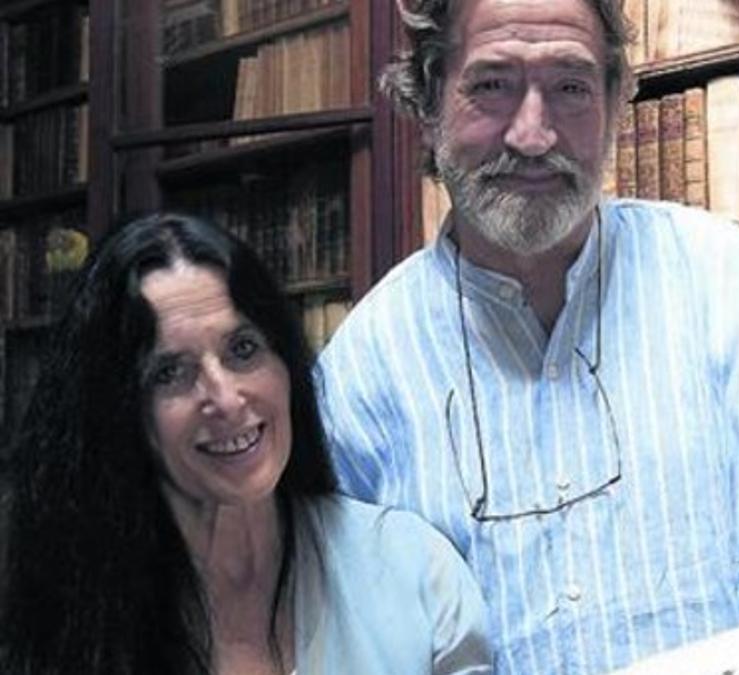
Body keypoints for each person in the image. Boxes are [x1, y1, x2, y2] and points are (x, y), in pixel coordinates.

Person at [317, 0, 739, 672]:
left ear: (617, 99)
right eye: (492, 85)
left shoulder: (725, 277)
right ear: (429, 99)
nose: (532, 135)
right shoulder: (360, 374)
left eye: (571, 87)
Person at [0, 213, 492, 675]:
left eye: (243, 349)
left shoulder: (415, 573)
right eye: (170, 372)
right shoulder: (73, 615)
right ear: (117, 407)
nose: (226, 398)